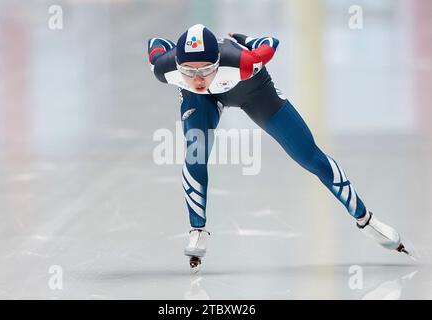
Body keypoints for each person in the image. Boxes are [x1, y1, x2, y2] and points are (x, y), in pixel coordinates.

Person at [147, 24, 411, 272]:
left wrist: (248, 42)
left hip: (252, 92)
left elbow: (270, 43)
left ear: (217, 63)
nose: (197, 78)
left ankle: (366, 220)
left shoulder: (242, 63)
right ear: (177, 65)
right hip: (202, 102)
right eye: (189, 71)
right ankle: (197, 229)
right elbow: (156, 43)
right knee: (196, 151)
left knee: (309, 156)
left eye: (205, 70)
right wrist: (175, 57)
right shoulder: (165, 68)